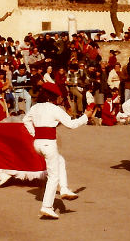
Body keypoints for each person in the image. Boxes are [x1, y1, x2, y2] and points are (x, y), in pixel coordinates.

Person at [22, 83, 93, 219]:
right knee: (53, 176)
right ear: (53, 97)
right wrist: (85, 116)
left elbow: (26, 120)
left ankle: (65, 188)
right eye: (59, 96)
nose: (61, 99)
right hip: (49, 144)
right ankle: (47, 206)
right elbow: (72, 125)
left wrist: (34, 133)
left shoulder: (35, 107)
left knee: (60, 160)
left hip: (37, 143)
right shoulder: (55, 109)